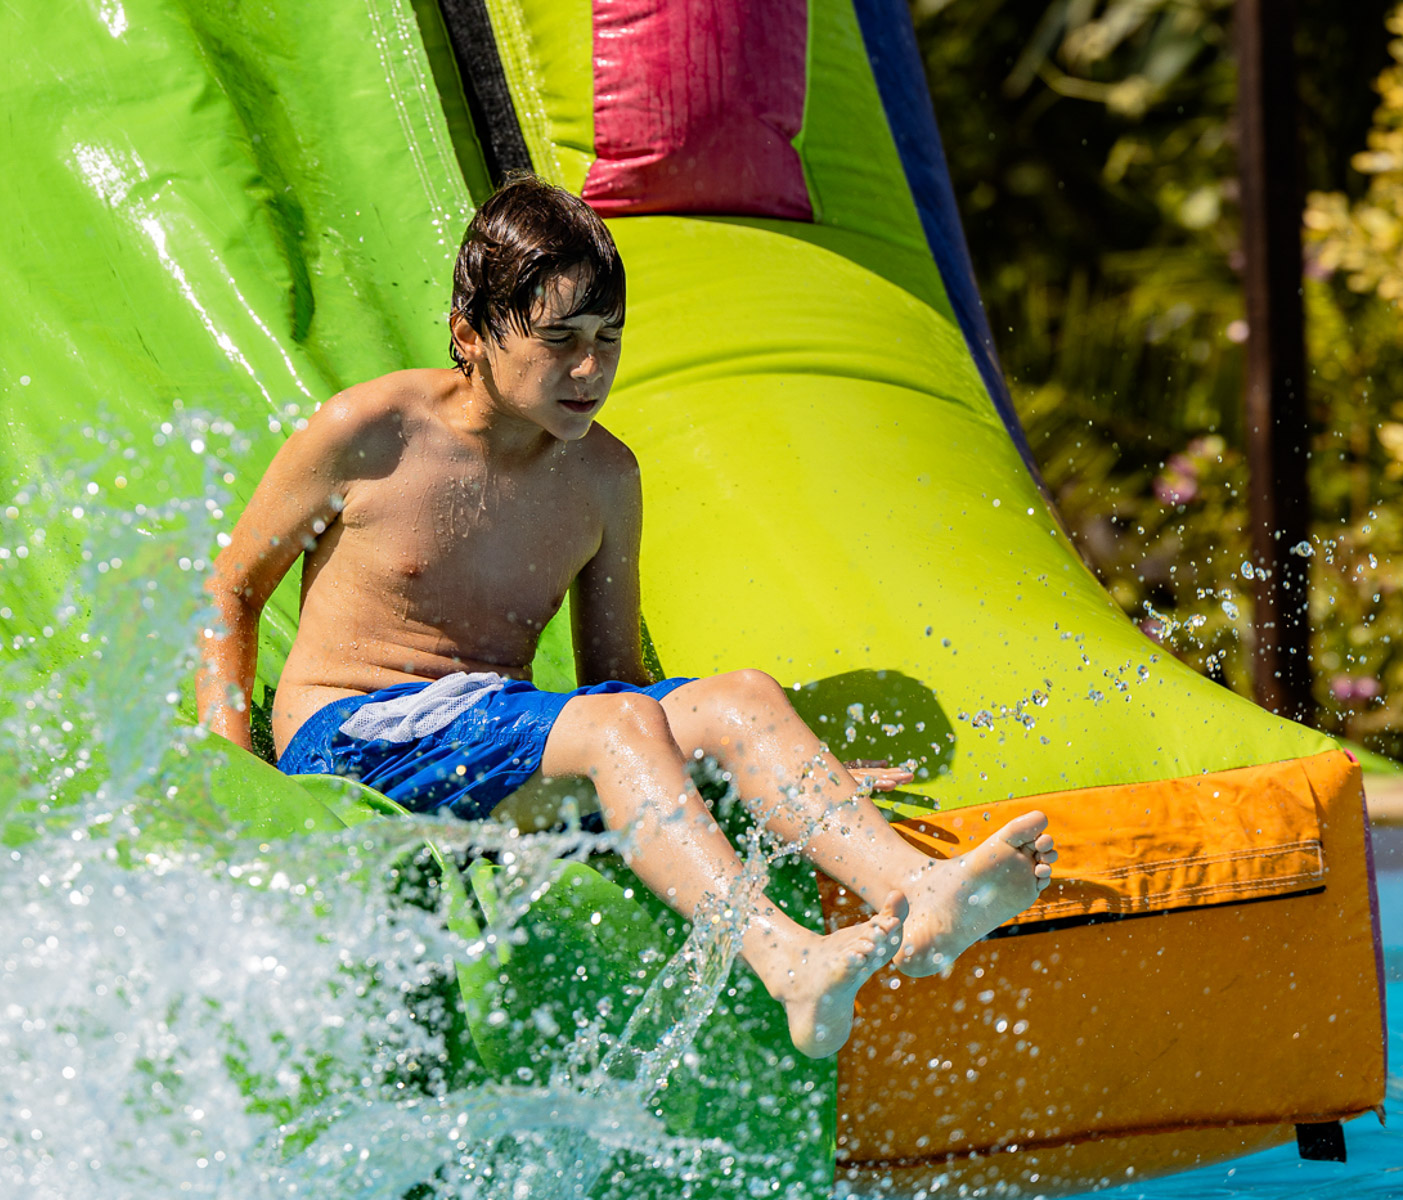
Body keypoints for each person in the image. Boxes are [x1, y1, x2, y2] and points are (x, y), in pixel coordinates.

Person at [196, 175, 1057, 1059]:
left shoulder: (604, 478)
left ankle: (921, 892)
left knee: (742, 700)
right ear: (470, 335)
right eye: (559, 340)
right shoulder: (372, 432)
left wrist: (785, 778)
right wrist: (228, 770)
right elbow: (232, 591)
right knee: (616, 726)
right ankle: (785, 958)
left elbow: (616, 680)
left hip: (494, 755)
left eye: (606, 339)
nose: (589, 370)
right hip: (356, 743)